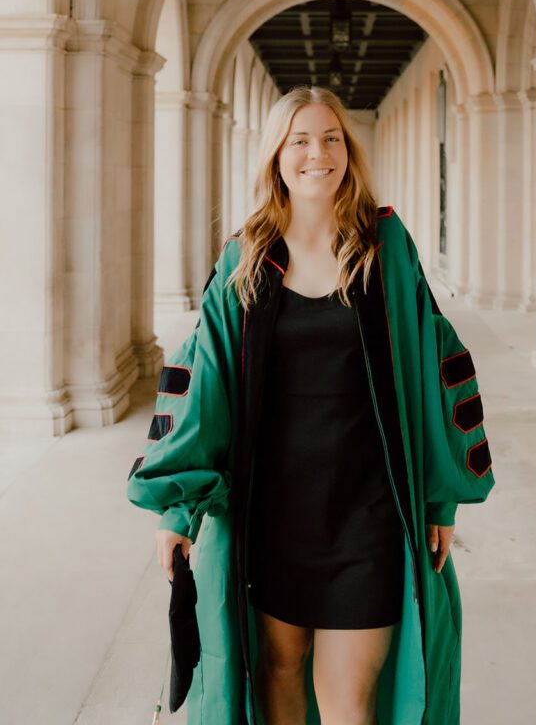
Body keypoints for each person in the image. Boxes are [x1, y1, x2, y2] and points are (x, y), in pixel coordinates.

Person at [127, 84, 495, 725]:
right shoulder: (245, 261)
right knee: (278, 684)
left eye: (330, 138)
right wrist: (178, 510)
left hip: (369, 516)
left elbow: (436, 370)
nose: (316, 153)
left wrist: (438, 498)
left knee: (352, 703)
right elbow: (201, 386)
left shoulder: (385, 249)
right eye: (299, 140)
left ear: (348, 152)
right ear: (276, 156)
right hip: (273, 516)